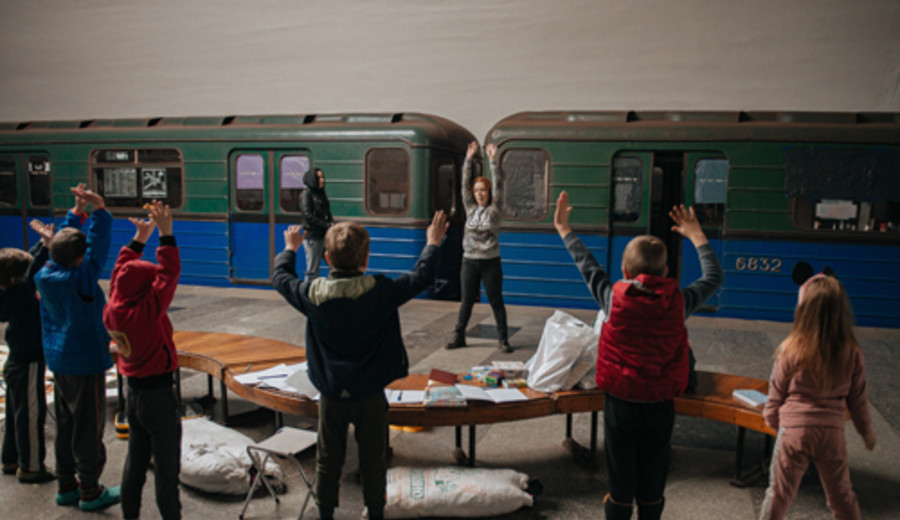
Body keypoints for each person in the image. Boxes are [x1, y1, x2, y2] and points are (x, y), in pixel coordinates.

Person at [553, 191, 722, 520]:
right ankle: (649, 511)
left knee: (620, 469)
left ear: (624, 270)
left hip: (621, 402)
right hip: (660, 403)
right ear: (666, 270)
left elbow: (586, 265)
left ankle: (618, 507)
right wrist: (697, 235)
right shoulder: (678, 302)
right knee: (655, 465)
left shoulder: (613, 298)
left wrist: (563, 228)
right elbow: (713, 277)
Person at [272, 211, 449, 520]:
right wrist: (433, 242)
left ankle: (326, 513)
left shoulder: (311, 295)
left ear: (326, 258)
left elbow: (281, 278)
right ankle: (375, 513)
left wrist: (290, 248)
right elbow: (421, 276)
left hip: (331, 395)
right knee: (374, 461)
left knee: (328, 461)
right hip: (370, 395)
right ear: (366, 258)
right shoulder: (382, 292)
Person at [759, 274, 876, 520]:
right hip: (832, 434)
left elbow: (776, 391)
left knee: (779, 493)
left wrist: (771, 419)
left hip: (794, 430)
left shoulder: (791, 348)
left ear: (804, 311)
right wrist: (866, 431)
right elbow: (858, 398)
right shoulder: (852, 351)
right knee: (841, 496)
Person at [34, 185, 121, 511]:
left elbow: (65, 246)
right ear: (80, 258)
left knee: (66, 424)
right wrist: (99, 210)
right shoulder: (80, 278)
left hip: (59, 360)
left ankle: (66, 486)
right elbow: (98, 246)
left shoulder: (45, 274)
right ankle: (90, 491)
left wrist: (77, 212)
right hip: (85, 363)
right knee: (88, 429)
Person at [103, 200, 182, 520]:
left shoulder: (115, 305)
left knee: (135, 460)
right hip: (158, 397)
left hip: (133, 394)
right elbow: (169, 274)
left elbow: (119, 271)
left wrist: (140, 239)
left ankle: (130, 514)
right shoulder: (147, 312)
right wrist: (165, 235)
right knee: (166, 468)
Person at [0, 218, 59, 484]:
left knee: (16, 414)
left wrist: (42, 243)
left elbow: (30, 264)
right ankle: (32, 466)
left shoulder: (10, 291)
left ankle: (11, 459)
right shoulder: (20, 293)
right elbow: (34, 271)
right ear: (15, 278)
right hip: (29, 363)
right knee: (31, 416)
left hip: (16, 362)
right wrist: (46, 246)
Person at [447, 140, 511, 353]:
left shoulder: (495, 209)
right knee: (466, 301)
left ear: (489, 192)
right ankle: (459, 336)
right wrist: (468, 159)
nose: (480, 193)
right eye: (477, 190)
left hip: (490, 262)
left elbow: (500, 184)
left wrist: (492, 161)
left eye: (483, 190)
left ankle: (503, 339)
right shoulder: (470, 207)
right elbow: (463, 184)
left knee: (496, 301)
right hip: (469, 261)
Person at [300, 167, 335, 280]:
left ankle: (330, 288)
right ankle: (309, 292)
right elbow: (308, 216)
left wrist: (331, 223)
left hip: (324, 235)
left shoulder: (320, 194)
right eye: (318, 177)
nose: (322, 180)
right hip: (313, 237)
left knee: (334, 263)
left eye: (322, 177)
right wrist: (327, 225)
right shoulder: (306, 194)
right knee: (313, 269)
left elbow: (327, 213)